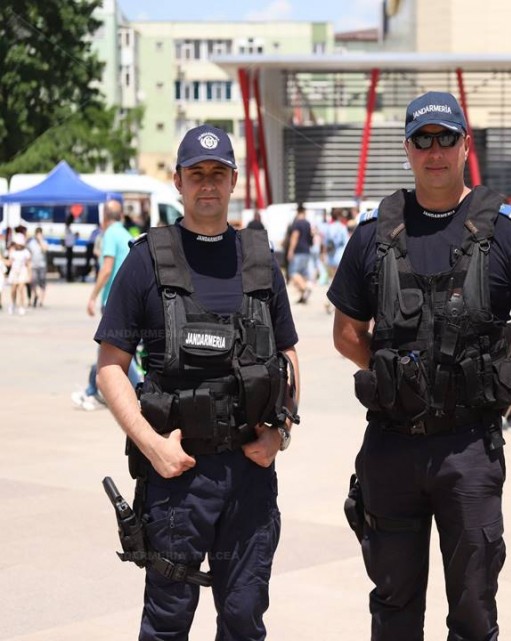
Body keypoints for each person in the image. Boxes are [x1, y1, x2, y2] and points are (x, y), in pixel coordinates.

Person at [328, 91, 511, 641]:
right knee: (394, 604)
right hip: (392, 444)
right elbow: (345, 332)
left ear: (466, 145)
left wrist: (490, 386)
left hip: (468, 449)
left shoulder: (506, 229)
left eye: (446, 138)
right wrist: (402, 381)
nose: (434, 151)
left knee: (475, 609)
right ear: (407, 149)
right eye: (422, 139)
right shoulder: (372, 232)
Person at [95, 124, 300, 640]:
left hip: (250, 475)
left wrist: (282, 431)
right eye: (196, 173)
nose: (207, 184)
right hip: (176, 479)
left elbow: (289, 354)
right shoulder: (146, 260)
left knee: (244, 619)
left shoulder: (259, 260)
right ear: (179, 182)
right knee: (166, 623)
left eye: (218, 173)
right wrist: (151, 446)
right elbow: (110, 366)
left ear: (234, 180)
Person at [72, 200, 138, 411]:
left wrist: (93, 296)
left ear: (104, 218)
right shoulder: (125, 234)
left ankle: (136, 394)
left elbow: (107, 268)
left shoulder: (110, 234)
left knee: (113, 352)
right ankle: (92, 390)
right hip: (130, 299)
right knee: (113, 351)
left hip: (113, 301)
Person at [286, 204, 314, 303]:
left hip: (298, 251)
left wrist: (290, 250)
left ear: (298, 212)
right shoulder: (307, 223)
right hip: (306, 251)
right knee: (302, 274)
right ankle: (303, 296)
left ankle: (306, 287)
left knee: (293, 272)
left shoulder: (297, 223)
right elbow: (311, 237)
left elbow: (295, 236)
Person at [5, 232, 31, 315]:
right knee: (13, 289)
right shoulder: (12, 251)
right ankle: (13, 304)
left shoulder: (26, 252)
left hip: (22, 271)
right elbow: (9, 263)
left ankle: (21, 306)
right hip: (14, 271)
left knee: (21, 289)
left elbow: (28, 264)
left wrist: (30, 275)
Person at [26, 227, 48, 308]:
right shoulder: (31, 243)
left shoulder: (44, 242)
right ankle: (35, 295)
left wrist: (40, 241)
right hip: (33, 265)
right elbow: (27, 252)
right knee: (33, 282)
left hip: (42, 265)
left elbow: (45, 249)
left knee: (42, 284)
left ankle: (41, 301)